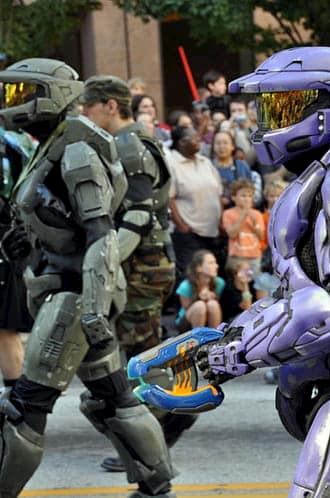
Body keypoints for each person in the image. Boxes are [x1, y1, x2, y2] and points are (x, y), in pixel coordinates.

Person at [140, 47, 330, 497]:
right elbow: (299, 292)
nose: (272, 120)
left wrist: (222, 358)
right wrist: (225, 338)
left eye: (287, 105)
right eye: (269, 106)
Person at [0, 58, 175, 497]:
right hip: (66, 287)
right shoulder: (52, 143)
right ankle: (157, 487)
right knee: (114, 396)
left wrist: (95, 305)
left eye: (20, 93)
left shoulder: (76, 148)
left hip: (75, 294)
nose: (12, 104)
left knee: (25, 409)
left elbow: (101, 231)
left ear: (51, 95)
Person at [80, 76, 198, 474]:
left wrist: (109, 260)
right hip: (144, 263)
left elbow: (139, 212)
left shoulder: (129, 145)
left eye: (90, 106)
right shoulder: (130, 141)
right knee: (138, 351)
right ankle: (154, 434)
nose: (85, 113)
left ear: (111, 106)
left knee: (136, 356)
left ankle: (157, 436)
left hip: (143, 265)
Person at [0, 125, 35, 393]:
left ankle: (20, 412)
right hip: (10, 237)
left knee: (5, 331)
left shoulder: (12, 144)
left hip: (6, 240)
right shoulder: (14, 143)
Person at [166, 125, 223, 277]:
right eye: (194, 138)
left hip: (212, 232)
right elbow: (169, 198)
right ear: (181, 142)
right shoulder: (172, 164)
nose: (199, 141)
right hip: (189, 234)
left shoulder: (205, 161)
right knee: (193, 277)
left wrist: (221, 221)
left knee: (212, 278)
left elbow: (218, 193)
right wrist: (182, 226)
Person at [221, 178, 265, 275]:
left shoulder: (257, 214)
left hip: (254, 256)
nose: (247, 199)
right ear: (233, 197)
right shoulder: (228, 213)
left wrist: (254, 223)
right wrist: (243, 215)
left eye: (249, 196)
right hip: (236, 256)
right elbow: (232, 234)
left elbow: (261, 236)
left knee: (256, 283)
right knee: (237, 281)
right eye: (243, 196)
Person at [174, 249, 225, 332]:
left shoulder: (220, 283)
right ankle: (197, 339)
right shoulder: (185, 286)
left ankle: (215, 338)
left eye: (215, 262)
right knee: (200, 306)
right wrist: (198, 298)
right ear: (199, 268)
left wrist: (213, 297)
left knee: (213, 304)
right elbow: (186, 309)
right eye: (211, 263)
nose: (216, 266)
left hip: (210, 320)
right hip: (187, 323)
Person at [220, 257, 255, 322]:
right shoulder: (229, 289)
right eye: (245, 271)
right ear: (235, 274)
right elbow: (247, 307)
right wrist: (245, 285)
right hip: (232, 321)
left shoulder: (253, 284)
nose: (250, 273)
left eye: (250, 270)